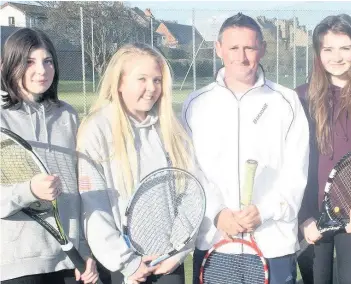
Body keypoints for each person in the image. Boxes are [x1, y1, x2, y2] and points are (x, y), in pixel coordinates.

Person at [182, 12, 310, 284]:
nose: (242, 57)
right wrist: (217, 214)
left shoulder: (286, 102)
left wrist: (264, 211)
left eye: (249, 47)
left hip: (273, 243)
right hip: (216, 241)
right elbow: (190, 172)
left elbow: (295, 174)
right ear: (218, 49)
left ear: (262, 49)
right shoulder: (195, 104)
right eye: (233, 48)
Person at [76, 43, 195, 284]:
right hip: (123, 270)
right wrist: (128, 264)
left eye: (157, 80)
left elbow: (190, 193)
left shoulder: (172, 129)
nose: (151, 88)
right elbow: (93, 207)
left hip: (168, 266)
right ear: (119, 83)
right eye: (142, 79)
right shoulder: (96, 129)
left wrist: (178, 252)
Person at [294, 14, 351, 284]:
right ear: (318, 53)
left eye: (346, 48)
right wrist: (303, 218)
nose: (337, 56)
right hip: (312, 220)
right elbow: (289, 164)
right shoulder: (299, 98)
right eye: (329, 49)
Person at [0, 28, 98, 284]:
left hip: (69, 261)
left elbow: (80, 190)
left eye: (48, 61)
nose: (41, 70)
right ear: (9, 65)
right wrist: (29, 189)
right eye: (29, 62)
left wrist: (85, 251)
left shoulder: (67, 115)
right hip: (19, 266)